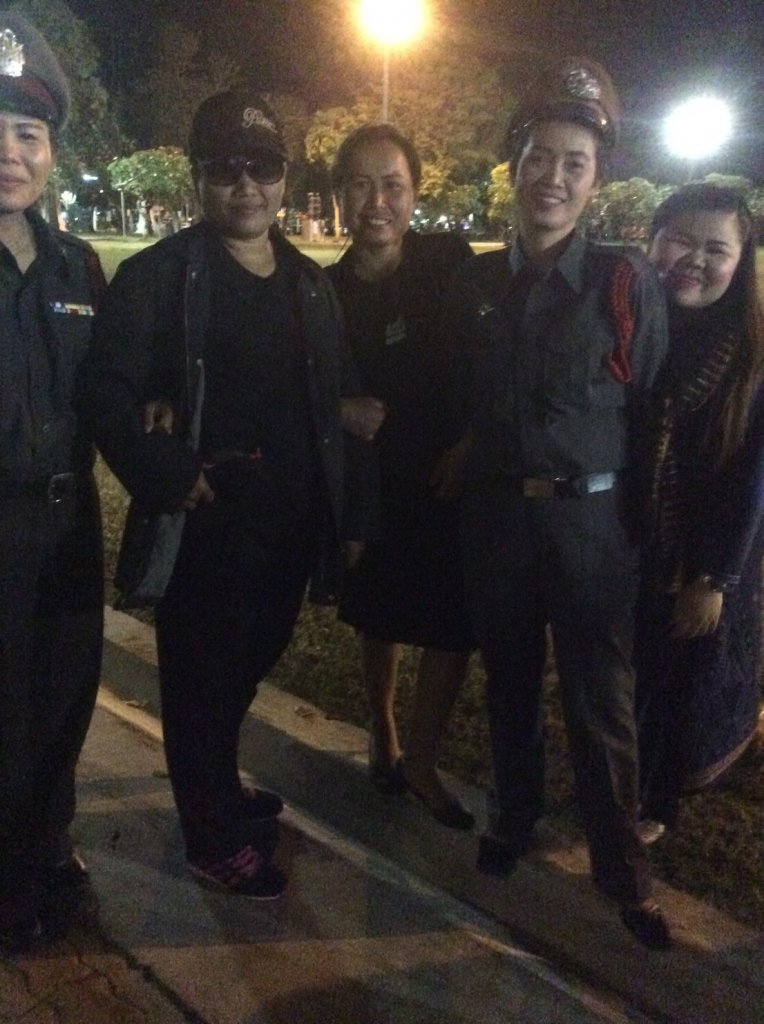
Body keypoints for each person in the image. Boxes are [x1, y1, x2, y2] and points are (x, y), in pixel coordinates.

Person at [83, 90, 372, 900]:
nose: (247, 187)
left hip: (290, 527)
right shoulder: (158, 277)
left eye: (264, 168)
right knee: (201, 683)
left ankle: (218, 786)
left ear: (286, 178)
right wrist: (167, 469)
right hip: (206, 529)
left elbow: (336, 397)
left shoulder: (308, 284)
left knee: (249, 666)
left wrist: (352, 498)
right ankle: (211, 840)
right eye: (226, 170)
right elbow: (106, 391)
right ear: (198, 179)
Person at [447, 58, 671, 947]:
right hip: (498, 521)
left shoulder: (624, 282)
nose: (554, 176)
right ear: (515, 165)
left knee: (599, 701)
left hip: (592, 528)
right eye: (540, 156)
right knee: (507, 682)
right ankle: (514, 819)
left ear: (596, 179)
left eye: (575, 162)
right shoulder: (474, 281)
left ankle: (621, 866)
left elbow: (651, 409)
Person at [328, 124, 476, 829]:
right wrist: (338, 410)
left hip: (448, 475)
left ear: (415, 193)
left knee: (452, 624)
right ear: (338, 194)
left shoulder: (449, 263)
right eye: (361, 184)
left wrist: (473, 440)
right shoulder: (322, 290)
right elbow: (298, 380)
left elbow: (491, 355)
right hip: (372, 483)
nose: (377, 202)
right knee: (377, 613)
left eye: (393, 185)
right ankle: (382, 735)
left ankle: (422, 758)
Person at [0, 13, 105, 954]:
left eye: (28, 133)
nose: (10, 152)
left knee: (64, 703)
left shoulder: (78, 267)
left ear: (52, 151)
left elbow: (111, 393)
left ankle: (44, 850)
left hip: (71, 526)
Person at [636, 184, 764, 834]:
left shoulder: (749, 355)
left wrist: (715, 577)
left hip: (703, 554)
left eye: (717, 248)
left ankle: (655, 802)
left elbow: (753, 480)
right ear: (653, 241)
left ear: (741, 262)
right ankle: (624, 783)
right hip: (629, 540)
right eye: (682, 240)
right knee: (630, 675)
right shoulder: (630, 328)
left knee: (681, 681)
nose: (696, 259)